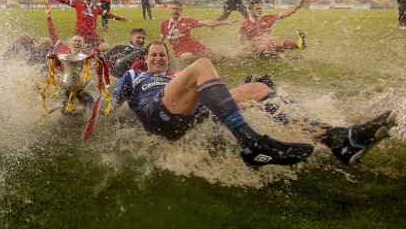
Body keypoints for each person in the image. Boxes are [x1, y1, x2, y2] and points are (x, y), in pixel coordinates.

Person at [110, 42, 397, 167]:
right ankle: (251, 143)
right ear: (145, 59)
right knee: (202, 65)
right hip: (156, 114)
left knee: (256, 88)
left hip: (187, 115)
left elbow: (208, 94)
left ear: (168, 59)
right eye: (153, 55)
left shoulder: (177, 77)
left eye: (162, 55)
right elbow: (112, 103)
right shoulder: (134, 75)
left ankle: (336, 139)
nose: (158, 58)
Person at [45, 0, 127, 51]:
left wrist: (119, 18)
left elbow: (107, 14)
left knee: (106, 47)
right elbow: (64, 0)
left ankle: (92, 52)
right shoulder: (78, 3)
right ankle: (85, 48)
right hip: (79, 35)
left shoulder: (96, 8)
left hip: (92, 35)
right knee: (73, 52)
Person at [159, 0, 238, 64]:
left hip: (195, 46)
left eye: (177, 9)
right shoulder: (164, 24)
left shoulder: (187, 21)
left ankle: (232, 56)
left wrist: (225, 22)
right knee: (187, 57)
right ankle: (200, 65)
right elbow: (161, 41)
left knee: (217, 58)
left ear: (181, 10)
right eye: (173, 9)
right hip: (181, 51)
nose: (175, 11)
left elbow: (206, 23)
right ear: (170, 10)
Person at [238, 0, 309, 58]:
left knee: (275, 44)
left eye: (260, 8)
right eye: (257, 9)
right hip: (258, 49)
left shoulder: (266, 18)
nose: (259, 10)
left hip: (269, 46)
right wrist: (241, 46)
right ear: (250, 10)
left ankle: (298, 46)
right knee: (274, 43)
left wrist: (298, 6)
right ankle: (284, 56)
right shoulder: (246, 23)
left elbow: (285, 13)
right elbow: (240, 35)